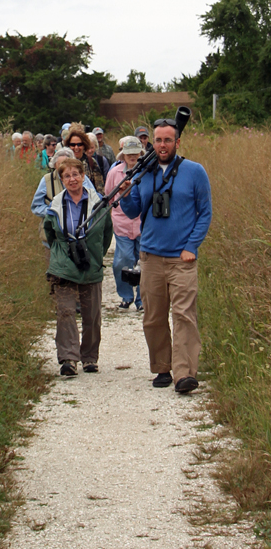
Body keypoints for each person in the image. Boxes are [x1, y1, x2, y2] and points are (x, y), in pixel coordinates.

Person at [119, 119, 212, 393]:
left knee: (184, 315)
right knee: (154, 316)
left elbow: (205, 212)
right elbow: (134, 210)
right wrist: (125, 194)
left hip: (182, 259)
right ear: (152, 143)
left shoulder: (195, 172)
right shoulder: (144, 173)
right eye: (158, 140)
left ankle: (184, 374)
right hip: (150, 257)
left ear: (177, 142)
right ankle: (162, 367)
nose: (162, 145)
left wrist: (191, 246)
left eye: (167, 140)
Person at [43, 155, 113, 376]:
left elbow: (106, 233)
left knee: (92, 314)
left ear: (83, 176)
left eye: (76, 174)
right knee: (65, 311)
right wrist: (60, 254)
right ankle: (68, 358)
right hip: (63, 264)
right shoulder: (55, 206)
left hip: (90, 262)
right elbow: (50, 233)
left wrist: (95, 254)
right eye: (67, 176)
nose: (72, 179)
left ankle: (90, 357)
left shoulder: (98, 204)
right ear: (61, 180)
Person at [104, 135, 144, 310]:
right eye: (129, 153)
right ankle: (126, 295)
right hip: (122, 222)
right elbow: (109, 195)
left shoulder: (147, 171)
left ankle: (143, 299)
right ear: (123, 155)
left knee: (144, 260)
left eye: (136, 153)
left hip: (143, 223)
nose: (132, 156)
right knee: (123, 259)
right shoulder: (115, 172)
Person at [64, 124, 107, 193]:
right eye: (73, 145)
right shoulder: (63, 163)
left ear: (84, 145)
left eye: (79, 144)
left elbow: (100, 188)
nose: (76, 148)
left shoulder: (91, 162)